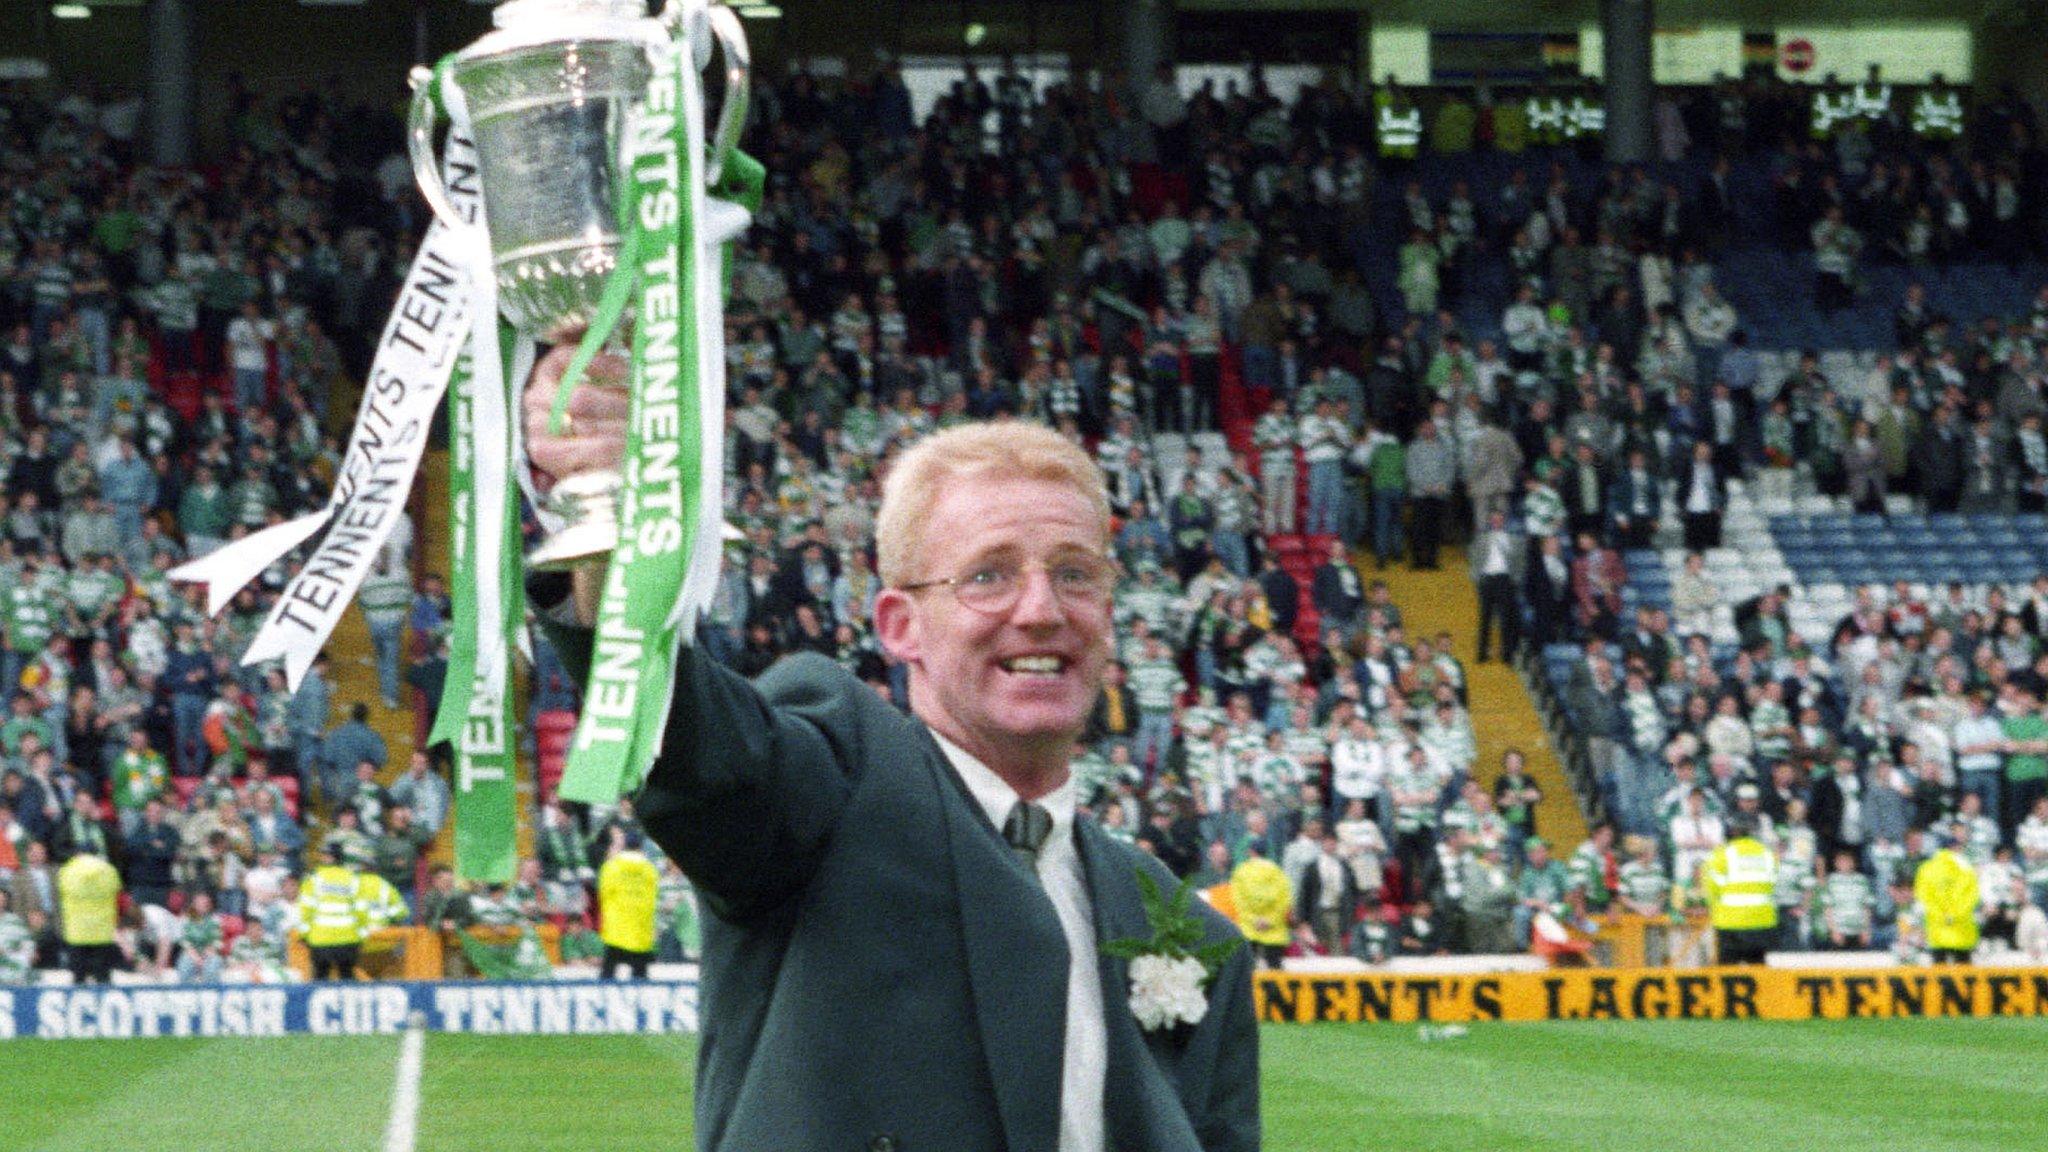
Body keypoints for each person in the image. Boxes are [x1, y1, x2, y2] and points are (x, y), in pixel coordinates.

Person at [523, 364, 1259, 1152]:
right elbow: (694, 741)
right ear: (899, 624)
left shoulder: (1186, 931)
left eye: (1074, 574)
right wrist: (606, 512)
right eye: (989, 575)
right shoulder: (830, 783)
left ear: (1109, 615)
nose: (1042, 610)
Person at [1700, 812, 1778, 964]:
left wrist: (1714, 908)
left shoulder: (1722, 854)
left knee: (1728, 975)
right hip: (1761, 921)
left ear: (1733, 831)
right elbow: (1773, 883)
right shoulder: (1767, 854)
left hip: (1729, 922)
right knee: (1758, 972)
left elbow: (1710, 887)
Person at [295, 837, 371, 980]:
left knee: (320, 980)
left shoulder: (313, 878)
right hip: (348, 938)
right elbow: (361, 910)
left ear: (327, 857)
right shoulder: (353, 878)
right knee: (347, 978)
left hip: (320, 939)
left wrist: (304, 935)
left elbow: (305, 910)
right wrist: (361, 935)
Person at [597, 829, 660, 981]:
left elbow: (603, 894)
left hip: (616, 931)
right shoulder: (650, 869)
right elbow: (653, 897)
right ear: (640, 847)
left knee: (607, 975)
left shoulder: (611, 867)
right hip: (641, 932)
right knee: (640, 978)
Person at [1915, 824, 1981, 965]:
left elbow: (1924, 898)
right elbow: (1972, 896)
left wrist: (1941, 916)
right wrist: (1955, 916)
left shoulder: (1926, 868)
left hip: (1937, 932)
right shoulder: (1966, 867)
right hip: (1962, 931)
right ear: (1954, 846)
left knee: (1939, 980)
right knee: (1965, 979)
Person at [57, 850, 121, 985]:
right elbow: (116, 888)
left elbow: (61, 889)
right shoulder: (109, 870)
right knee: (103, 976)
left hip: (77, 932)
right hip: (102, 931)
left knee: (78, 977)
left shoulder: (67, 871)